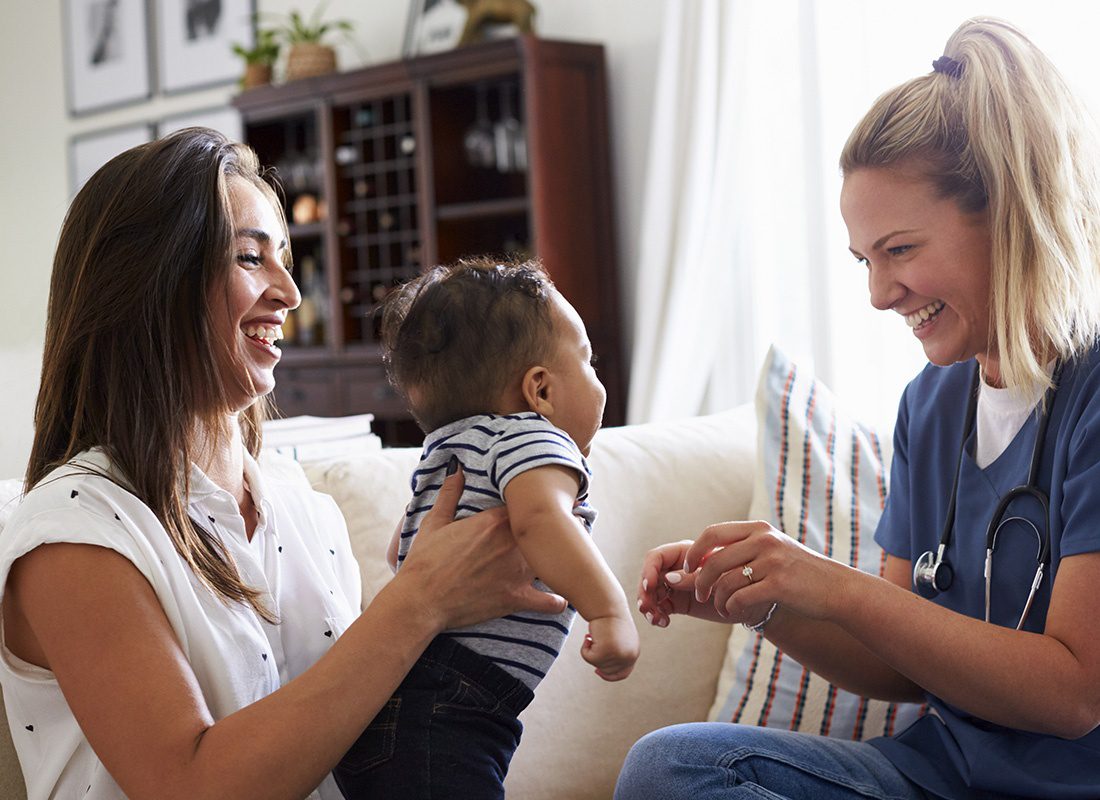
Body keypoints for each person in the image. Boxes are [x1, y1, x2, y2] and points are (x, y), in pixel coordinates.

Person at [0, 128, 567, 800]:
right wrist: (420, 599)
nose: (290, 294)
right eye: (249, 258)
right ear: (147, 284)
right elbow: (191, 785)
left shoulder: (300, 506)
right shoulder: (74, 535)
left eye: (286, 260)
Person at [618, 17, 1100, 800]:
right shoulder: (933, 405)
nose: (879, 295)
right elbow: (900, 669)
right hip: (938, 775)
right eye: (865, 261)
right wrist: (760, 601)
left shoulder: (1093, 397)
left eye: (901, 250)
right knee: (675, 767)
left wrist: (837, 586)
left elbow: (1076, 695)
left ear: (1007, 216)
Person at [332, 257, 639, 798]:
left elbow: (400, 550)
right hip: (455, 703)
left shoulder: (452, 448)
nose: (599, 380)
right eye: (587, 362)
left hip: (403, 694)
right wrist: (609, 610)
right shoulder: (535, 437)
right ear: (539, 391)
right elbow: (541, 519)